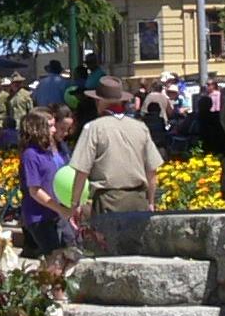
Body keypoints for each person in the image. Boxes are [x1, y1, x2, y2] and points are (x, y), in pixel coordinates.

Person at [63, 77, 162, 233]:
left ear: (99, 101)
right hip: (138, 201)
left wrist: (75, 205)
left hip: (108, 201)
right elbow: (152, 171)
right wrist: (150, 202)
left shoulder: (93, 128)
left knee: (110, 251)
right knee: (136, 253)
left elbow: (81, 170)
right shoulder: (140, 127)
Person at [14, 110, 80, 262]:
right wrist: (61, 209)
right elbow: (35, 191)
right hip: (40, 216)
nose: (54, 129)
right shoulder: (31, 154)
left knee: (72, 251)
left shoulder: (52, 150)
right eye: (50, 126)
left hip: (57, 213)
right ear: (38, 128)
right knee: (55, 258)